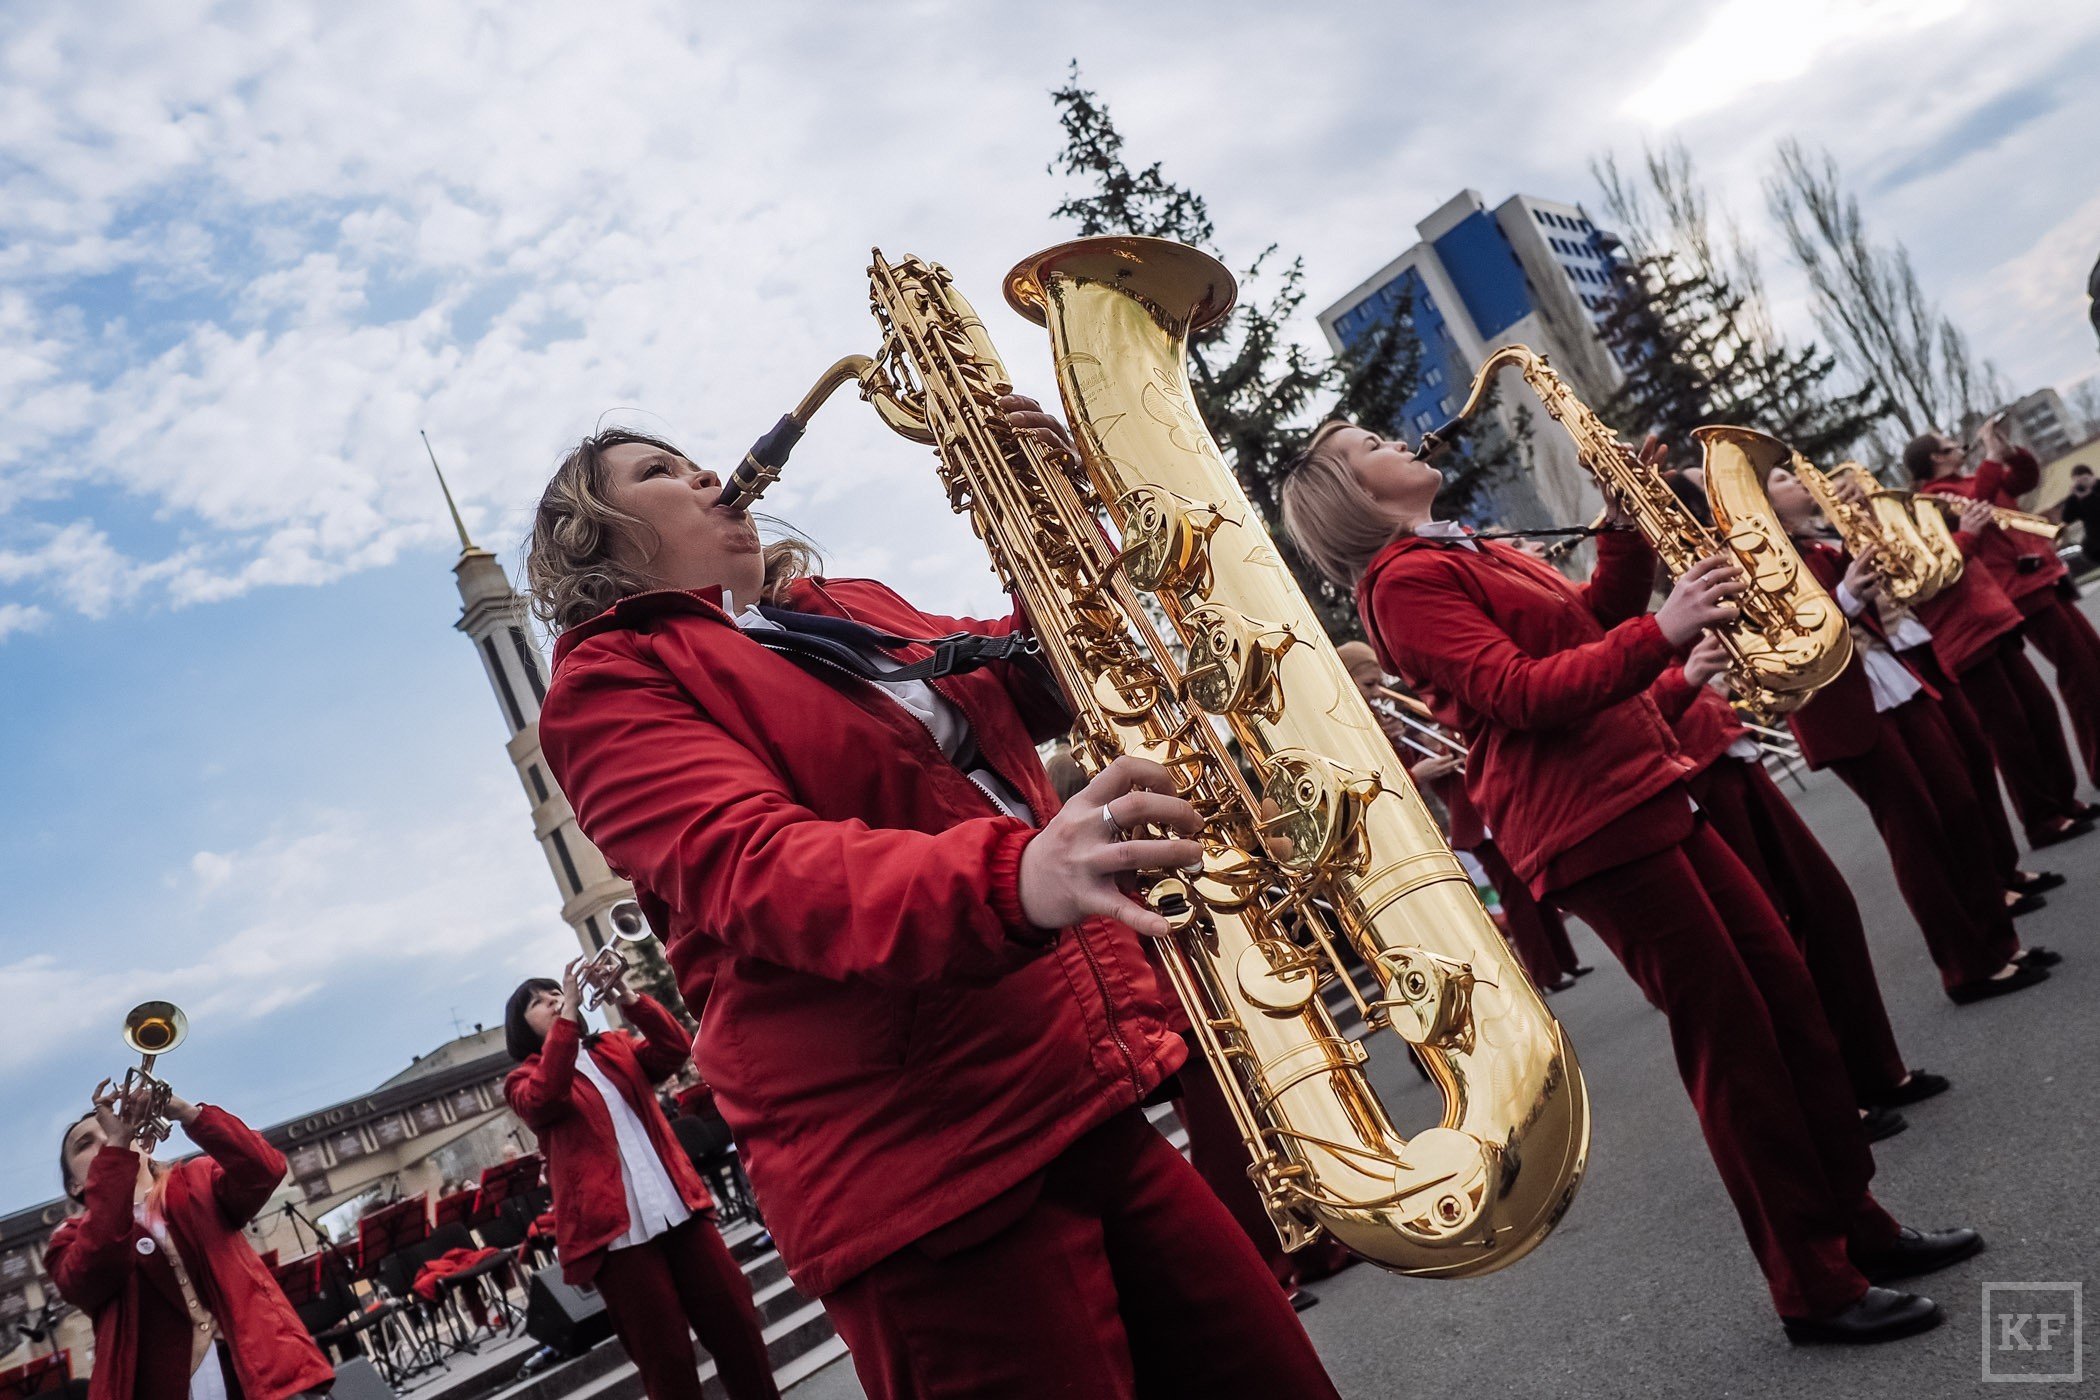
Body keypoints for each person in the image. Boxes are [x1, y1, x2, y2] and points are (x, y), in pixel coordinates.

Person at [525, 409, 1342, 1400]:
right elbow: (756, 865)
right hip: (924, 1175)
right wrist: (1015, 875)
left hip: (1075, 1092)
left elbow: (1055, 656)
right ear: (596, 545)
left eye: (698, 458)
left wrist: (1057, 506)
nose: (708, 474)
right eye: (660, 471)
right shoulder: (610, 682)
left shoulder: (837, 607)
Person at [1280, 419, 1982, 1345]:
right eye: (1369, 441)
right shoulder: (1405, 583)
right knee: (1737, 1045)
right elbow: (1524, 691)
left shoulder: (1463, 549)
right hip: (1589, 824)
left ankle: (1859, 1229)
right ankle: (1811, 1280)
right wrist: (1668, 628)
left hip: (1643, 789)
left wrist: (1618, 527)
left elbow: (1589, 622)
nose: (1400, 439)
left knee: (1787, 1005)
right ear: (1349, 492)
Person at [1761, 465, 2057, 1004]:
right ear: (1759, 499)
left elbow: (1898, 580)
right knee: (1919, 837)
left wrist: (1856, 518)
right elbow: (1791, 642)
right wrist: (1848, 597)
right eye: (1783, 477)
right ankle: (1967, 966)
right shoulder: (1763, 563)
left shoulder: (1818, 545)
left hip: (1897, 685)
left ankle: (1998, 946)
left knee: (1960, 809)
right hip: (1849, 711)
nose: (1801, 479)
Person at [1655, 638, 1941, 1127]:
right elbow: (1602, 706)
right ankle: (1831, 1110)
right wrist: (1680, 678)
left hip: (1723, 744)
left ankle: (1873, 1072)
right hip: (1688, 773)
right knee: (1770, 951)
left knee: (1826, 908)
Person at [503, 960, 779, 1400]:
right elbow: (547, 1096)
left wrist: (627, 999)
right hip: (619, 1237)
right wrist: (569, 1015)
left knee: (738, 1325)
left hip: (678, 1210)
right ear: (521, 1029)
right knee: (666, 1360)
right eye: (539, 1002)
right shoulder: (523, 1080)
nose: (555, 1000)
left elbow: (674, 1047)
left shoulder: (613, 1046)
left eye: (556, 992)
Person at [47, 1083, 334, 1400]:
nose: (107, 1139)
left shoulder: (198, 1180)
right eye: (86, 1143)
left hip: (257, 1375)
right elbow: (100, 1259)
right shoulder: (68, 1241)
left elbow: (264, 1169)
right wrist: (116, 1149)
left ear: (145, 1144)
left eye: (113, 1130)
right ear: (74, 1185)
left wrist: (185, 1112)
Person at [1336, 640, 1589, 993]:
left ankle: (1563, 962)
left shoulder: (1388, 721)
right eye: (1369, 686)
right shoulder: (1348, 731)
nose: (1380, 693)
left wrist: (1412, 747)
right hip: (1460, 825)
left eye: (1379, 682)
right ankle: (1544, 973)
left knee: (1531, 891)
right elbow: (1385, 787)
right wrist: (1413, 766)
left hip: (1490, 811)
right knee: (1516, 898)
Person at [1910, 419, 2100, 787]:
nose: (1961, 450)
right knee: (2081, 674)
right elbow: (1975, 509)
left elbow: (2025, 480)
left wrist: (2009, 452)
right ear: (1936, 457)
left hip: (2041, 575)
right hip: (2017, 588)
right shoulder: (1935, 497)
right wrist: (1992, 459)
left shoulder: (1974, 480)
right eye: (1953, 446)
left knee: (2091, 663)